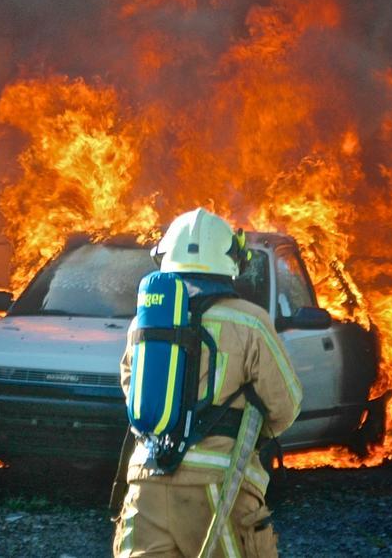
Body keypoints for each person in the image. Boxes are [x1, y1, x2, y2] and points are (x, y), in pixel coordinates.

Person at [113, 208, 303, 558]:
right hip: (218, 486)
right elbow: (285, 404)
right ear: (232, 260)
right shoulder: (250, 322)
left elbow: (131, 390)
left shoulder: (145, 322)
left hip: (146, 483)